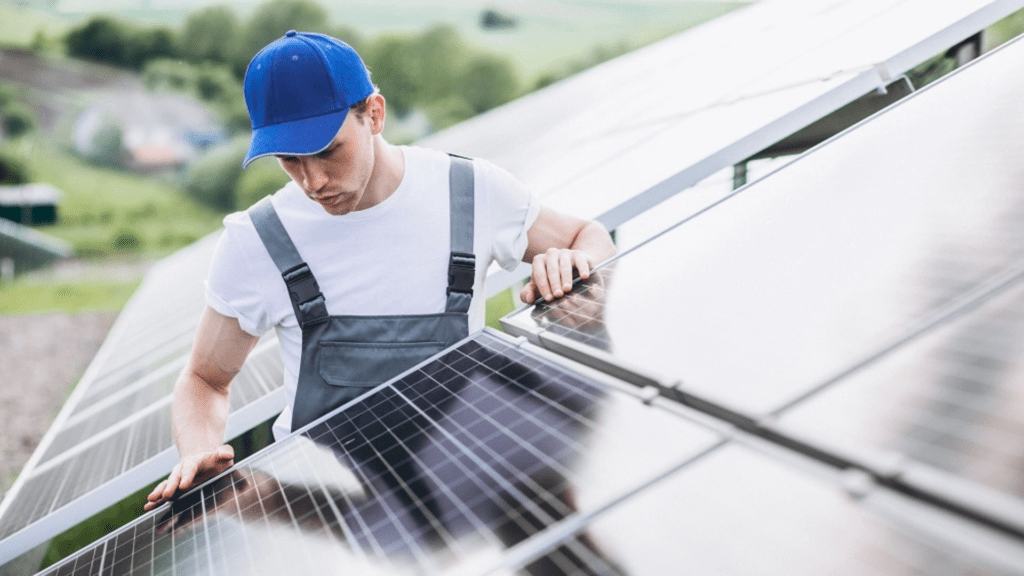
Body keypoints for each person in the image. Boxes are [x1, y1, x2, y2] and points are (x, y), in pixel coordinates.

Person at [145, 30, 615, 512]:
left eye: (328, 150)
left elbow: (589, 236)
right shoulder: (256, 241)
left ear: (374, 114)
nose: (313, 181)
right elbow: (205, 378)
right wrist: (199, 450)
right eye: (289, 159)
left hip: (462, 495)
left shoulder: (470, 193)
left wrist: (578, 267)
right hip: (325, 515)